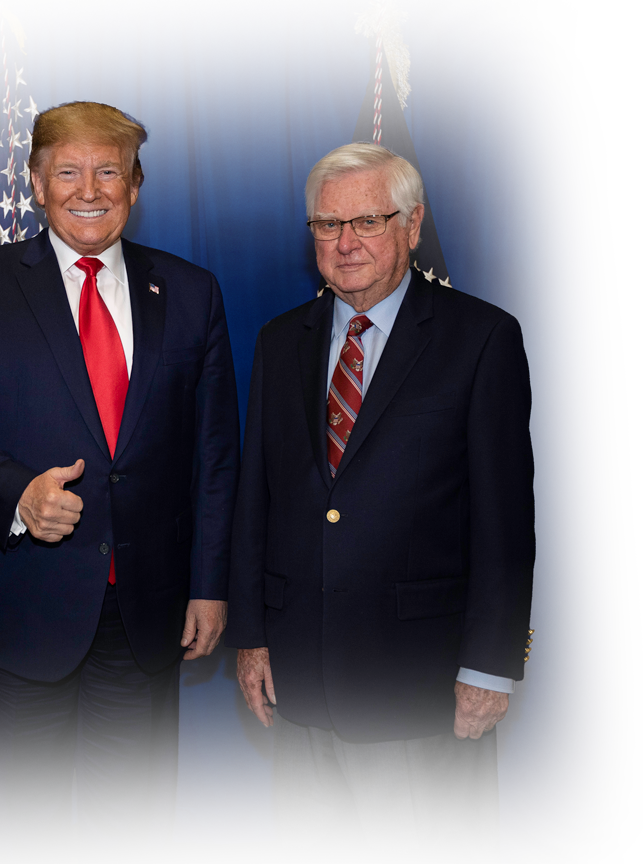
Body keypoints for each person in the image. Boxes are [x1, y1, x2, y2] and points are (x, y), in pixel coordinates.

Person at [0, 101, 240, 863]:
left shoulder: (191, 291)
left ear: (136, 186)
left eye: (108, 171)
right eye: (68, 172)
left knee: (132, 822)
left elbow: (216, 454)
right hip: (20, 599)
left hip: (146, 609)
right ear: (35, 184)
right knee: (18, 825)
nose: (89, 190)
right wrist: (16, 492)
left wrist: (210, 585)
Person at [227, 143, 534, 863]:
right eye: (328, 225)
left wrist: (488, 667)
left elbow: (505, 522)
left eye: (368, 220)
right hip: (297, 681)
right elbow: (256, 502)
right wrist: (251, 636)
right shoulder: (280, 341)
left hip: (419, 685)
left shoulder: (481, 337)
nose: (346, 242)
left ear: (413, 225)